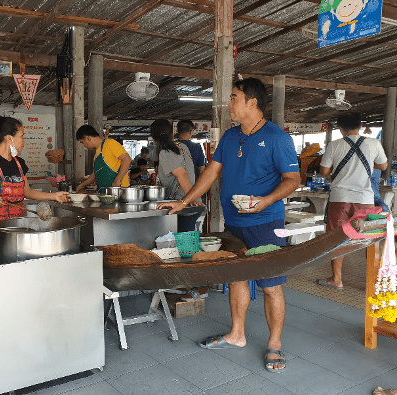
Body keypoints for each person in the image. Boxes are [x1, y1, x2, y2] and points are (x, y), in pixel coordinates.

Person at [158, 77, 300, 373]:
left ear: (252, 102)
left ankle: (275, 344)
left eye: (234, 97)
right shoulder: (230, 137)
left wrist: (265, 200)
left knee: (271, 285)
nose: (228, 104)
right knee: (237, 275)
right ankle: (237, 334)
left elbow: (293, 180)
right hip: (234, 220)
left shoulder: (277, 138)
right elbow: (210, 174)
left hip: (265, 221)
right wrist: (183, 202)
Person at [0, 116, 69, 238]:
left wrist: (55, 196)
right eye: (22, 136)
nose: (24, 142)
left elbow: (27, 192)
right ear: (9, 138)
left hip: (16, 227)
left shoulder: (20, 163)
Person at [317, 112, 387, 289]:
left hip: (340, 199)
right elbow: (384, 166)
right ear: (361, 125)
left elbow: (324, 172)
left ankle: (336, 279)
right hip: (365, 199)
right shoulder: (373, 143)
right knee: (369, 239)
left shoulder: (334, 145)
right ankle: (373, 282)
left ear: (340, 129)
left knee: (337, 238)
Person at [150, 119, 202, 232]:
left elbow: (182, 174)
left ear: (153, 138)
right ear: (172, 134)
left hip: (182, 205)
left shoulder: (166, 152)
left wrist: (189, 199)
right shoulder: (182, 146)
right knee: (185, 242)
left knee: (182, 244)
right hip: (190, 202)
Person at [75, 125, 131, 192]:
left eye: (82, 142)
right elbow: (95, 174)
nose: (84, 145)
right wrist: (82, 185)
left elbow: (127, 160)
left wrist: (117, 180)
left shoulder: (110, 143)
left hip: (119, 192)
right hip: (105, 193)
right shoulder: (97, 154)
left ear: (88, 138)